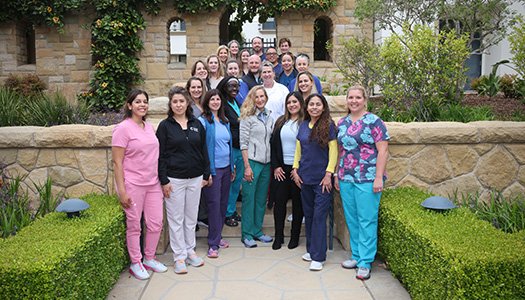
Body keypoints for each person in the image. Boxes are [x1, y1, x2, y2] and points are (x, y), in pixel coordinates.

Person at [334, 86, 390, 281]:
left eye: (358, 97)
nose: (354, 101)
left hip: (367, 177)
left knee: (367, 220)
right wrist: (336, 174)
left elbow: (382, 151)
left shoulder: (374, 121)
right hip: (346, 176)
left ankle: (366, 261)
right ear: (347, 100)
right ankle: (356, 256)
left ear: (365, 100)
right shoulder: (342, 122)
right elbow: (340, 150)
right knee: (352, 219)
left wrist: (378, 177)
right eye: (351, 97)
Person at [112, 89, 168, 280]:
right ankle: (135, 262)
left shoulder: (149, 127)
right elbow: (117, 162)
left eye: (145, 101)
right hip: (133, 184)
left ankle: (149, 258)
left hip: (153, 184)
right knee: (134, 225)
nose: (142, 105)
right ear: (129, 105)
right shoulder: (122, 129)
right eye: (138, 102)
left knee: (155, 223)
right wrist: (122, 190)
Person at [157, 86, 210, 274]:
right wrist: (164, 180)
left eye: (181, 101)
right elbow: (160, 155)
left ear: (187, 102)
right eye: (175, 101)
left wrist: (206, 173)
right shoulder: (165, 126)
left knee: (190, 218)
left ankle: (190, 251)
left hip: (195, 178)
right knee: (176, 218)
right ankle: (179, 256)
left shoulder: (197, 123)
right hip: (174, 179)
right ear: (170, 105)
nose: (178, 104)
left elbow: (203, 150)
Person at [291, 93, 337, 271]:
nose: (314, 107)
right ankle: (311, 249)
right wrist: (295, 169)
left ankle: (319, 256)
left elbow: (334, 151)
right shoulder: (303, 125)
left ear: (323, 107)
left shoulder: (329, 126)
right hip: (304, 178)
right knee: (308, 215)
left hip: (322, 180)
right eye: (311, 105)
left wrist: (329, 173)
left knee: (319, 217)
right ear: (307, 107)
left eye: (318, 104)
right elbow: (298, 149)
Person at [198, 89, 234, 258]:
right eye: (212, 99)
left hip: (226, 168)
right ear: (207, 102)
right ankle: (212, 244)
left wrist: (232, 167)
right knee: (213, 207)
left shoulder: (224, 121)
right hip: (213, 170)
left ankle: (218, 237)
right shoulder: (204, 121)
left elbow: (228, 145)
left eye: (218, 99)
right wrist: (208, 172)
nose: (215, 102)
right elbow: (202, 149)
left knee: (222, 205)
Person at [239, 86, 274, 248]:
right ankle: (247, 233)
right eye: (256, 97)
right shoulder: (248, 117)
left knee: (261, 200)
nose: (260, 99)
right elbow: (243, 144)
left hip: (267, 164)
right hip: (252, 163)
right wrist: (247, 166)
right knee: (249, 199)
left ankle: (257, 231)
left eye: (262, 96)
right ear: (252, 99)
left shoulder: (270, 116)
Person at [270, 91, 305, 250]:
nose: (292, 105)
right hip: (282, 169)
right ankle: (278, 236)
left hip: (298, 170)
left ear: (300, 103)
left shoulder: (305, 122)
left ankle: (295, 236)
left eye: (295, 102)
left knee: (298, 205)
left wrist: (299, 168)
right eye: (289, 102)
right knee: (279, 204)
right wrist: (276, 166)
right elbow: (273, 146)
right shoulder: (280, 122)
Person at [217, 76, 243, 227]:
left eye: (237, 86)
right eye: (231, 86)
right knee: (230, 182)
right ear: (224, 87)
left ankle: (232, 210)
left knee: (236, 183)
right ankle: (226, 213)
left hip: (240, 149)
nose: (234, 89)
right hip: (230, 149)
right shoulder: (222, 105)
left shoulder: (236, 102)